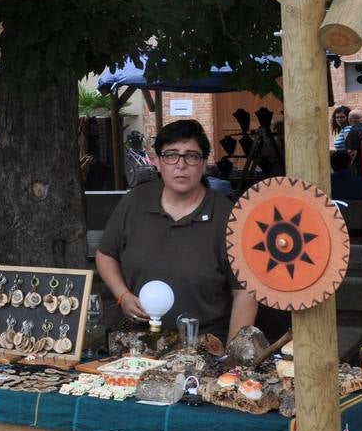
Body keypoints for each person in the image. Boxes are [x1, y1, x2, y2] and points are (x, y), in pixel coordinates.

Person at [95, 119, 258, 340]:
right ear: (157, 162)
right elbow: (105, 254)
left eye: (191, 156)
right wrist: (122, 295)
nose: (180, 165)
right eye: (171, 155)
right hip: (137, 347)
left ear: (203, 163)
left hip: (204, 348)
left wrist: (231, 359)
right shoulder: (135, 202)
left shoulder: (229, 217)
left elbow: (245, 293)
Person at [331, 150, 362, 266]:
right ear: (349, 164)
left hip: (335, 227)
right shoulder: (361, 183)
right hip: (360, 228)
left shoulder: (327, 182)